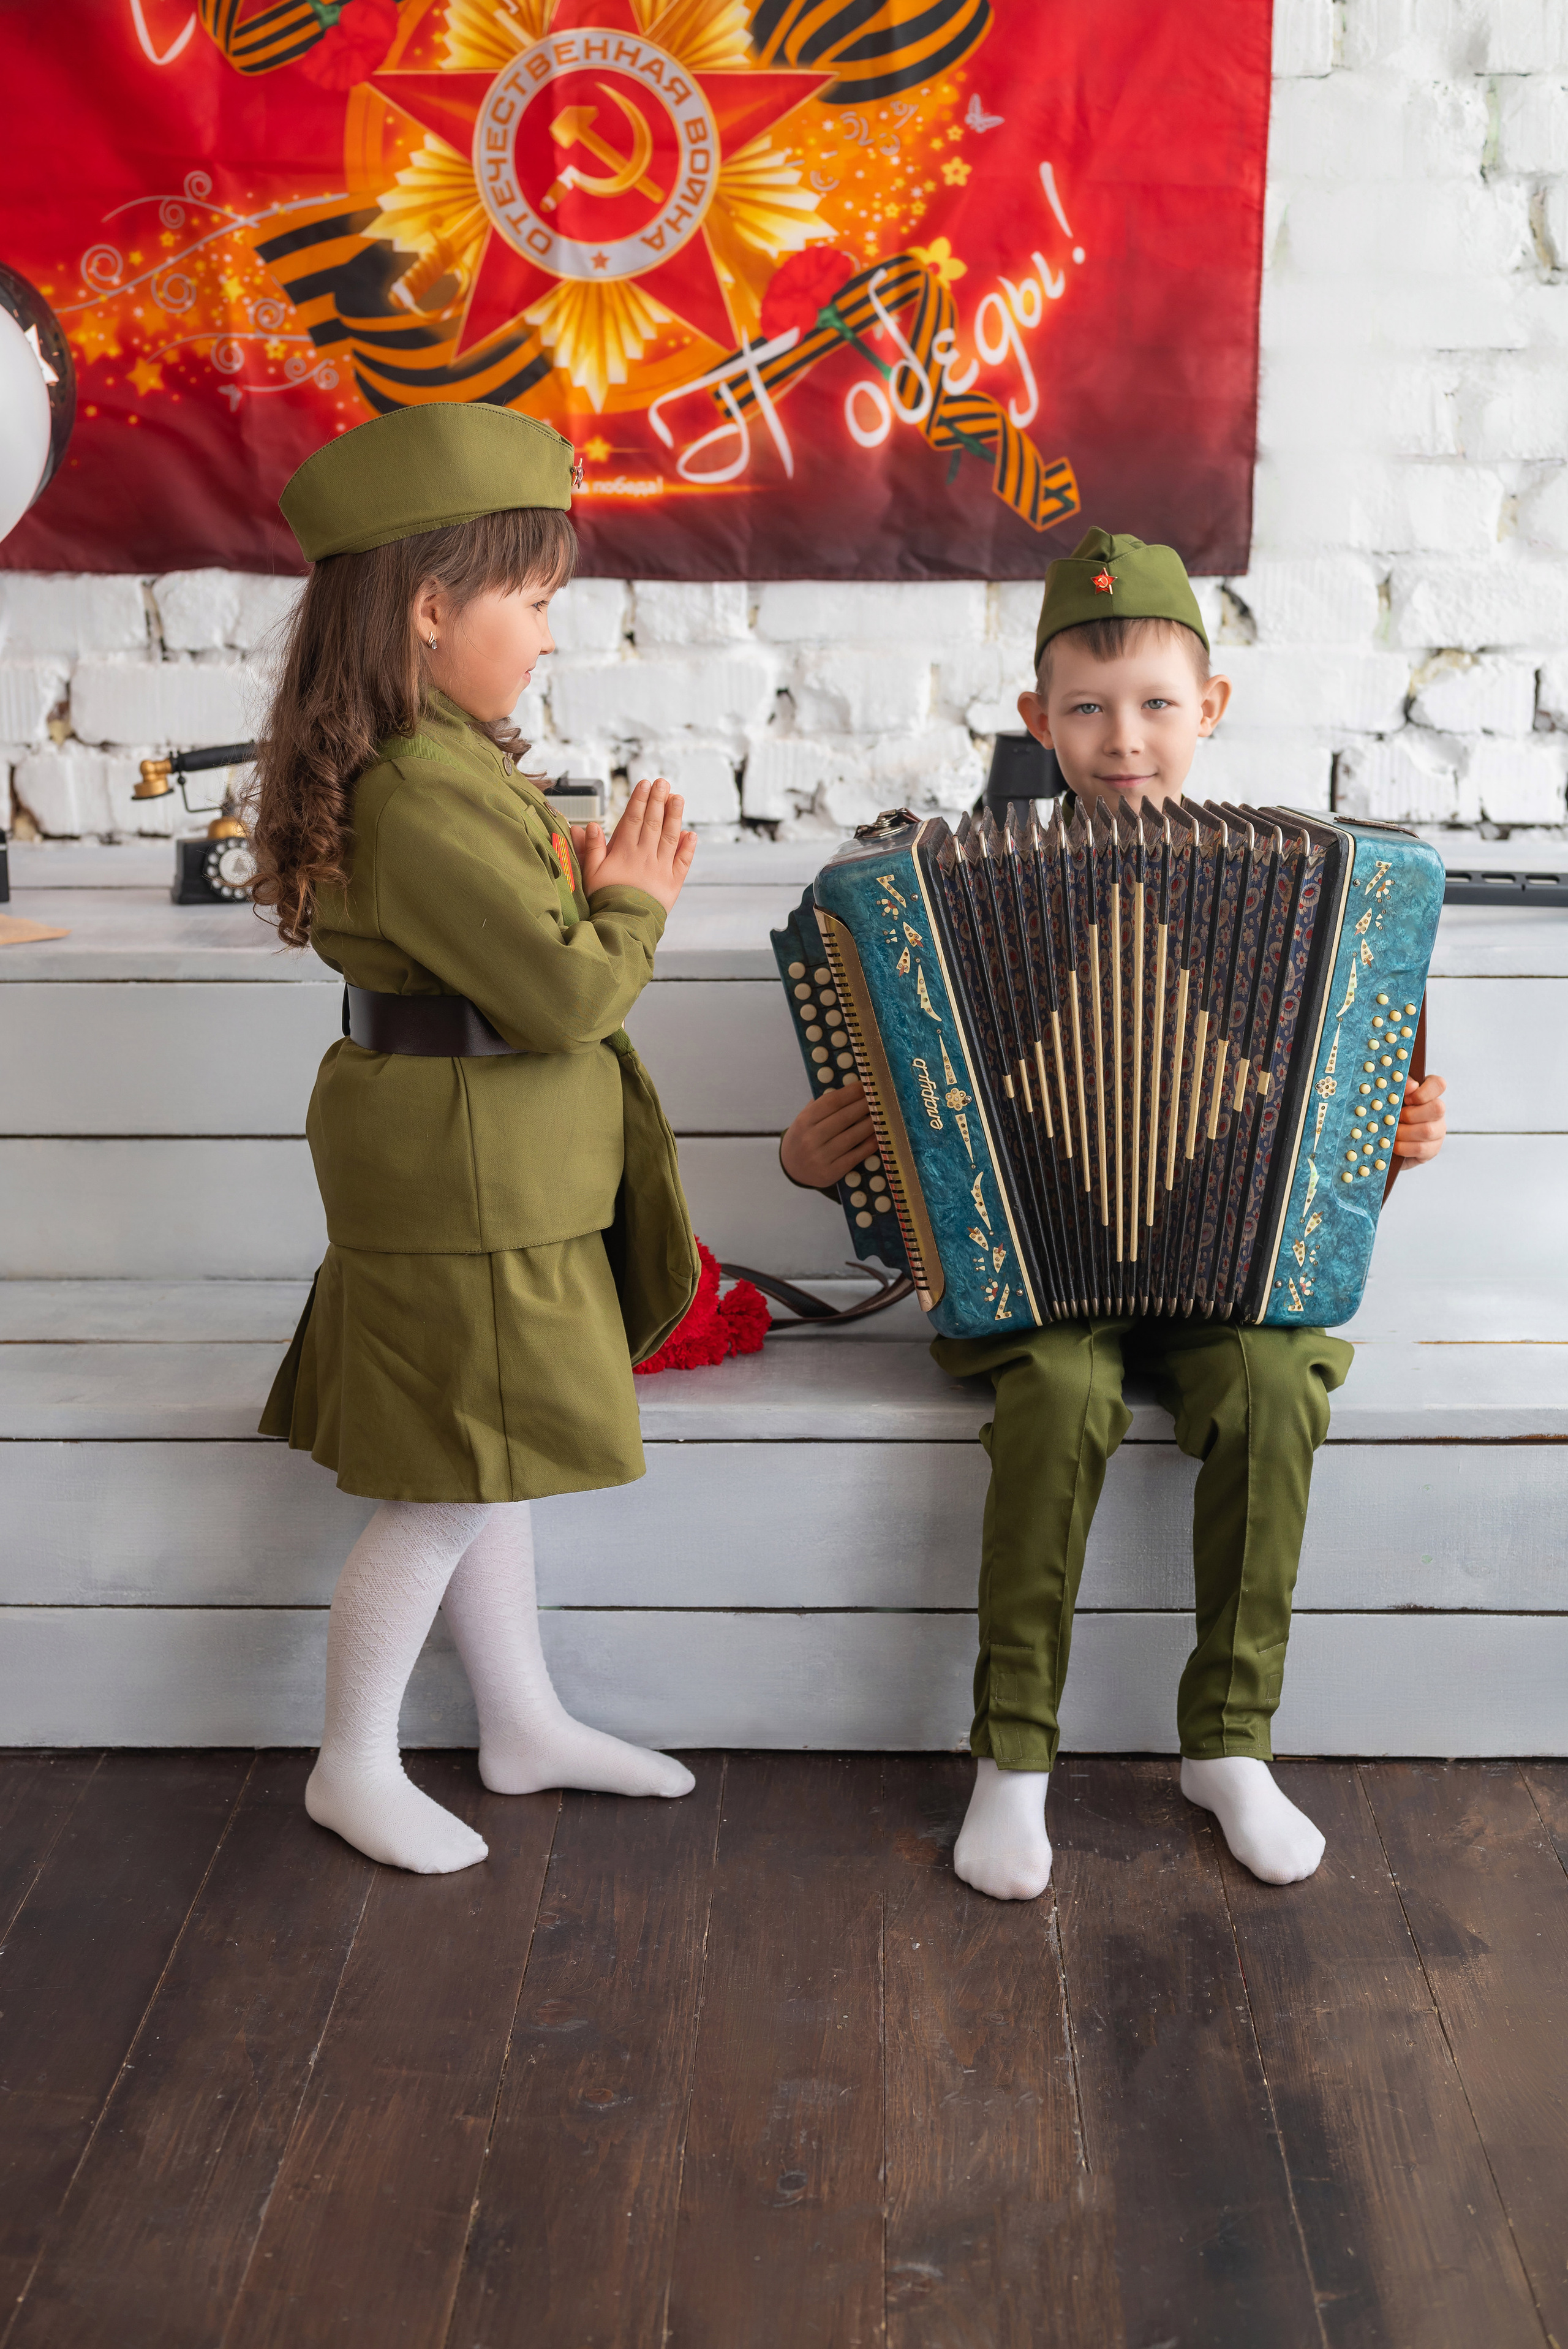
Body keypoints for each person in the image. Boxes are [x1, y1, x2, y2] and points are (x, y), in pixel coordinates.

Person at [781, 528, 1448, 1896]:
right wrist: (825, 1159)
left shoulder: (1304, 895)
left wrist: (1391, 1134)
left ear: (1210, 707)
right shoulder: (941, 893)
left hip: (1231, 1277)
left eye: (1154, 704)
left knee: (1275, 1389)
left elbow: (1331, 1137)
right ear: (1038, 720)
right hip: (1035, 1284)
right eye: (1086, 709)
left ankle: (1229, 1744)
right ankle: (1013, 1759)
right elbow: (901, 1119)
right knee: (1064, 1395)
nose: (1123, 738)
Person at [252, 403, 701, 1875]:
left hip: (490, 1174)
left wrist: (570, 884)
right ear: (432, 610)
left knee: (484, 1458)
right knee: (448, 1486)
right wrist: (628, 901)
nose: (550, 635)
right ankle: (350, 1763)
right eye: (533, 600)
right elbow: (565, 994)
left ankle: (517, 1723)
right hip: (466, 1188)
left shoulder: (442, 760)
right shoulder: (418, 791)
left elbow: (504, 947)